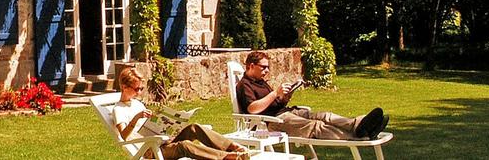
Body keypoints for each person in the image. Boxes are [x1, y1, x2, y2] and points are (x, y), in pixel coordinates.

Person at [234, 51, 388, 140]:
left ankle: (358, 124)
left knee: (324, 116)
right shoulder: (244, 84)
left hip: (284, 112)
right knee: (315, 126)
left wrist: (285, 96)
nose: (267, 71)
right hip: (272, 122)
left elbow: (274, 103)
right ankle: (358, 136)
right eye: (263, 67)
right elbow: (253, 109)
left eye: (268, 67)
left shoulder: (261, 81)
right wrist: (275, 93)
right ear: (251, 66)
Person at [112, 67, 251, 160]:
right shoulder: (118, 109)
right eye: (137, 89)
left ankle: (233, 147)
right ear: (124, 87)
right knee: (184, 146)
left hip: (162, 141)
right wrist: (136, 118)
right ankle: (226, 157)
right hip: (149, 150)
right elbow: (123, 136)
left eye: (142, 88)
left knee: (193, 127)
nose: (140, 92)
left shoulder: (137, 103)